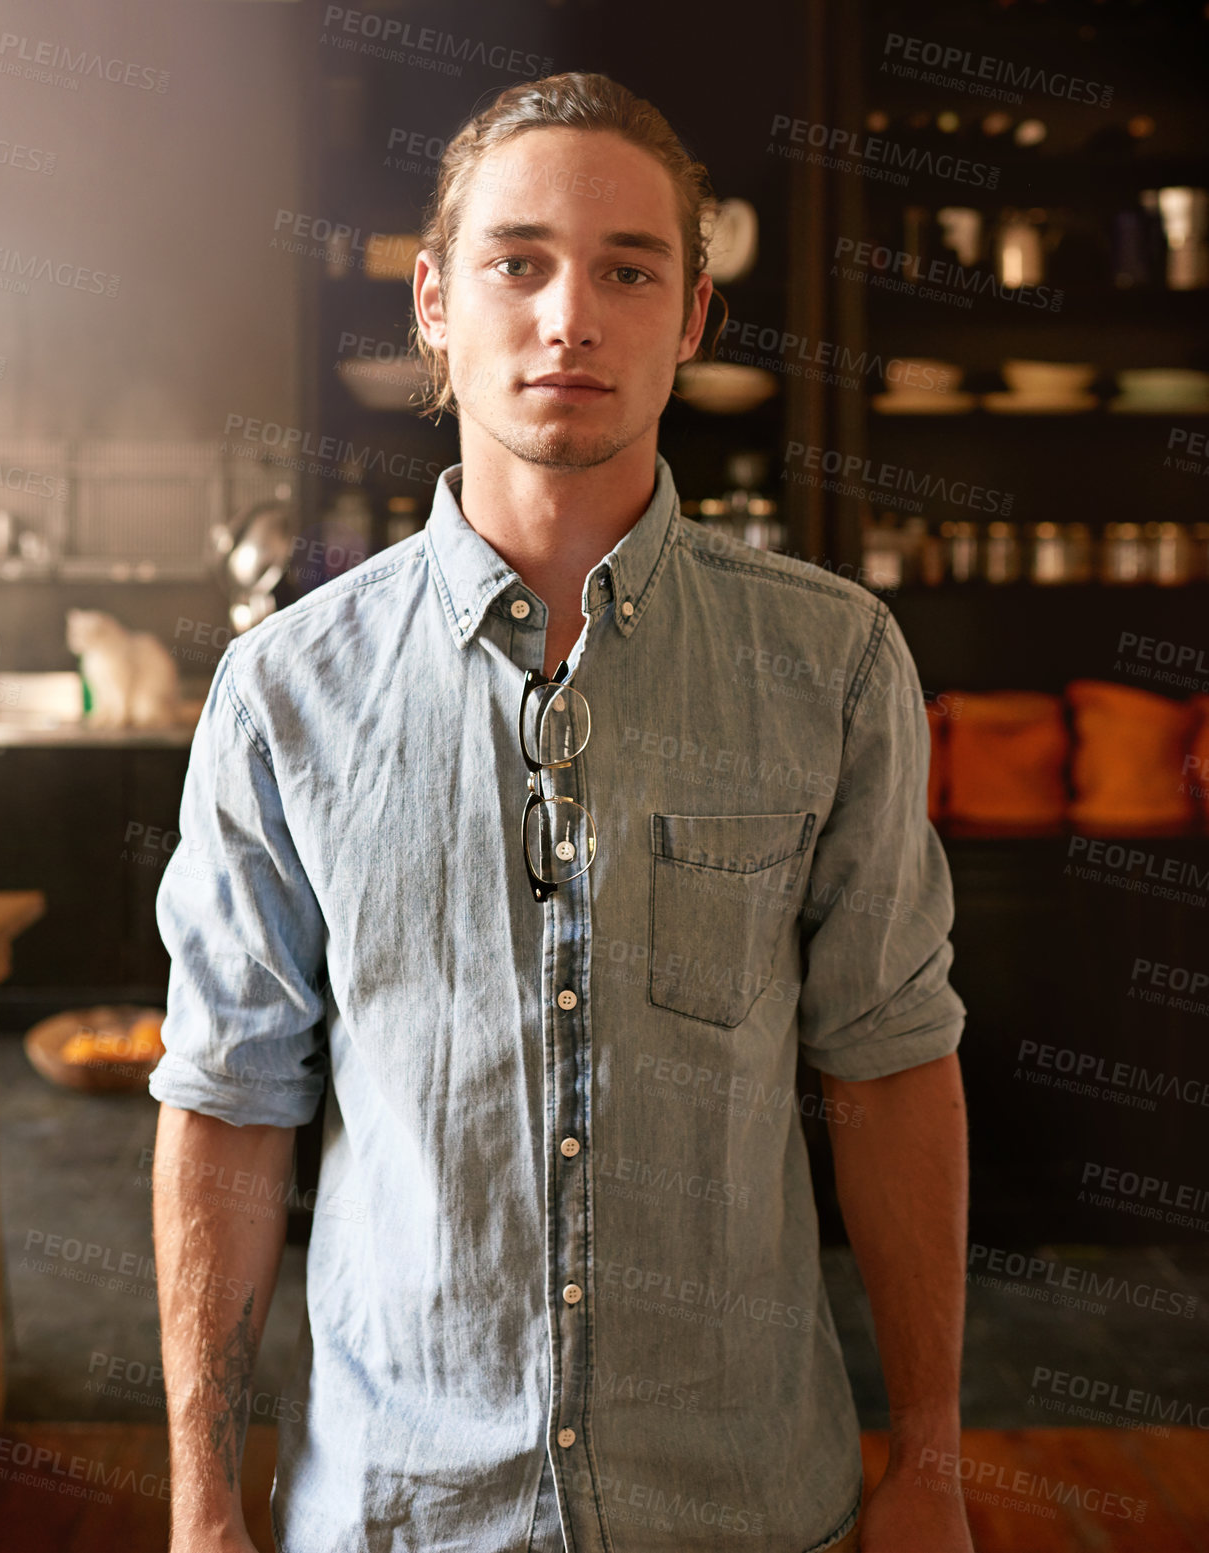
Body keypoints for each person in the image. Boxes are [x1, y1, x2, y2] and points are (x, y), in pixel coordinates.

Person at [150, 70, 974, 1553]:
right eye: (516, 261)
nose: (568, 315)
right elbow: (225, 1099)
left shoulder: (835, 662)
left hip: (745, 1510)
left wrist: (931, 1458)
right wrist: (205, 1502)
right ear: (432, 301)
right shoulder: (283, 690)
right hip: (399, 1515)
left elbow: (894, 1061)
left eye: (627, 269)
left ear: (694, 319)